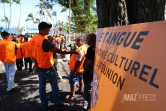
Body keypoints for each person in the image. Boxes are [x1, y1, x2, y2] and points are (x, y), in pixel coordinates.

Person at [29, 22, 77, 111]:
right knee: (54, 84)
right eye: (48, 29)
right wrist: (72, 52)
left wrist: (35, 64)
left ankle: (44, 105)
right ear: (43, 30)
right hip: (47, 67)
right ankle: (57, 102)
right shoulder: (44, 41)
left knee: (41, 86)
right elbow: (59, 51)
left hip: (39, 67)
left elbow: (30, 54)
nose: (49, 31)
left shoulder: (33, 39)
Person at [83, 33, 96, 110]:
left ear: (91, 40)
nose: (86, 39)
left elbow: (89, 62)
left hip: (89, 72)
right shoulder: (98, 47)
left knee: (87, 88)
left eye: (87, 38)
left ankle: (88, 104)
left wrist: (85, 70)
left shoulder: (91, 49)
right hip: (94, 72)